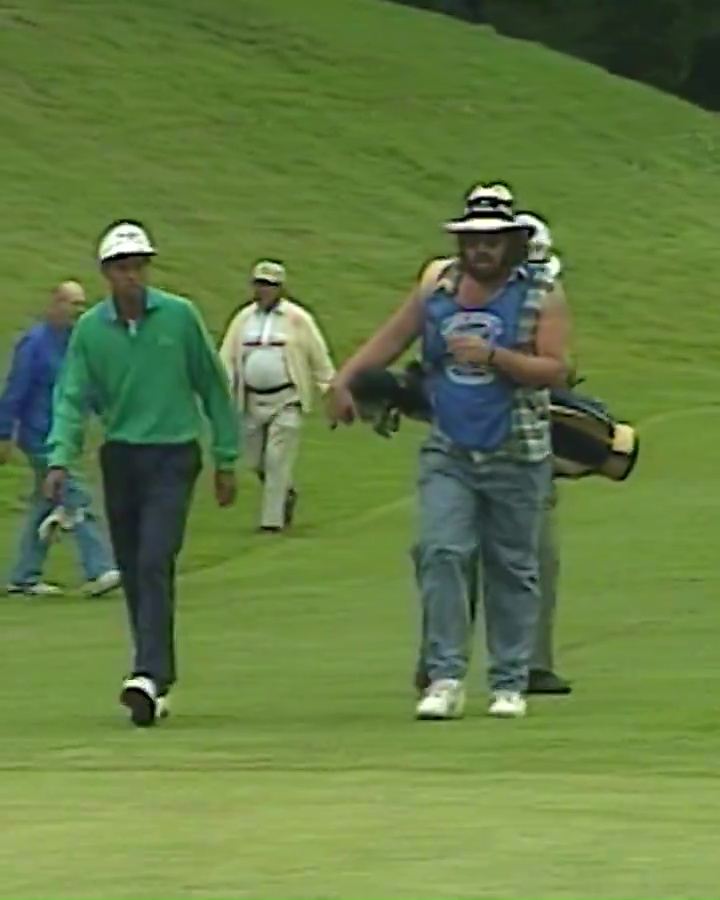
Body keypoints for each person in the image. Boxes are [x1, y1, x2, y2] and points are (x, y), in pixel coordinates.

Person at [327, 184, 571, 720]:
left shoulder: (540, 295)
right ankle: (444, 675)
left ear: (511, 243)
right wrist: (345, 381)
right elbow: (392, 338)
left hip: (517, 446)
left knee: (512, 566)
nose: (480, 250)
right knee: (441, 551)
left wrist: (495, 356)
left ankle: (509, 681)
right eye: (471, 240)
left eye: (490, 241)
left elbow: (556, 370)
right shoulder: (436, 288)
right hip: (450, 447)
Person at [44, 220, 239, 727]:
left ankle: (148, 671)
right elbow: (72, 396)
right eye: (122, 268)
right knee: (133, 566)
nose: (132, 276)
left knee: (155, 557)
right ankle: (155, 678)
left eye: (138, 266)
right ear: (107, 274)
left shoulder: (179, 317)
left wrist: (226, 457)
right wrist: (60, 457)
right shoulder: (91, 331)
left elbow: (212, 387)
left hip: (173, 454)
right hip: (122, 455)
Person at [0, 282, 119, 597]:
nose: (78, 311)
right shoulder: (34, 344)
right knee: (77, 498)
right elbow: (15, 390)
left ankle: (24, 576)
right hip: (40, 437)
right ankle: (100, 569)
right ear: (55, 304)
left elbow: (86, 389)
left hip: (65, 437)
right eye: (72, 304)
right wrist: (4, 433)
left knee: (45, 503)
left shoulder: (77, 344)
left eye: (82, 305)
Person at [219, 260, 335, 532]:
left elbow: (318, 357)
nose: (264, 291)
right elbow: (227, 357)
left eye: (270, 286)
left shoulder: (297, 319)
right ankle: (286, 491)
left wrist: (330, 390)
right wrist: (221, 389)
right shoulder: (243, 319)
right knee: (256, 460)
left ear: (281, 288)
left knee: (276, 458)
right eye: (260, 285)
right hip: (251, 400)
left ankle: (272, 522)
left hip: (286, 399)